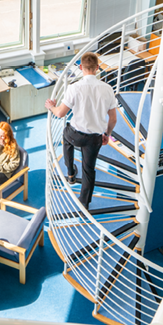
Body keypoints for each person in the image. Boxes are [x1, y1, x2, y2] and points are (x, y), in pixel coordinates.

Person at [45, 52, 118, 209]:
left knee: (66, 136)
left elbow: (59, 113)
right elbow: (113, 119)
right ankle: (84, 204)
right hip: (94, 138)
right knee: (89, 169)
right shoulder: (108, 89)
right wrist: (107, 134)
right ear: (98, 68)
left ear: (80, 67)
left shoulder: (74, 87)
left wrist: (51, 106)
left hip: (76, 135)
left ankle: (70, 173)